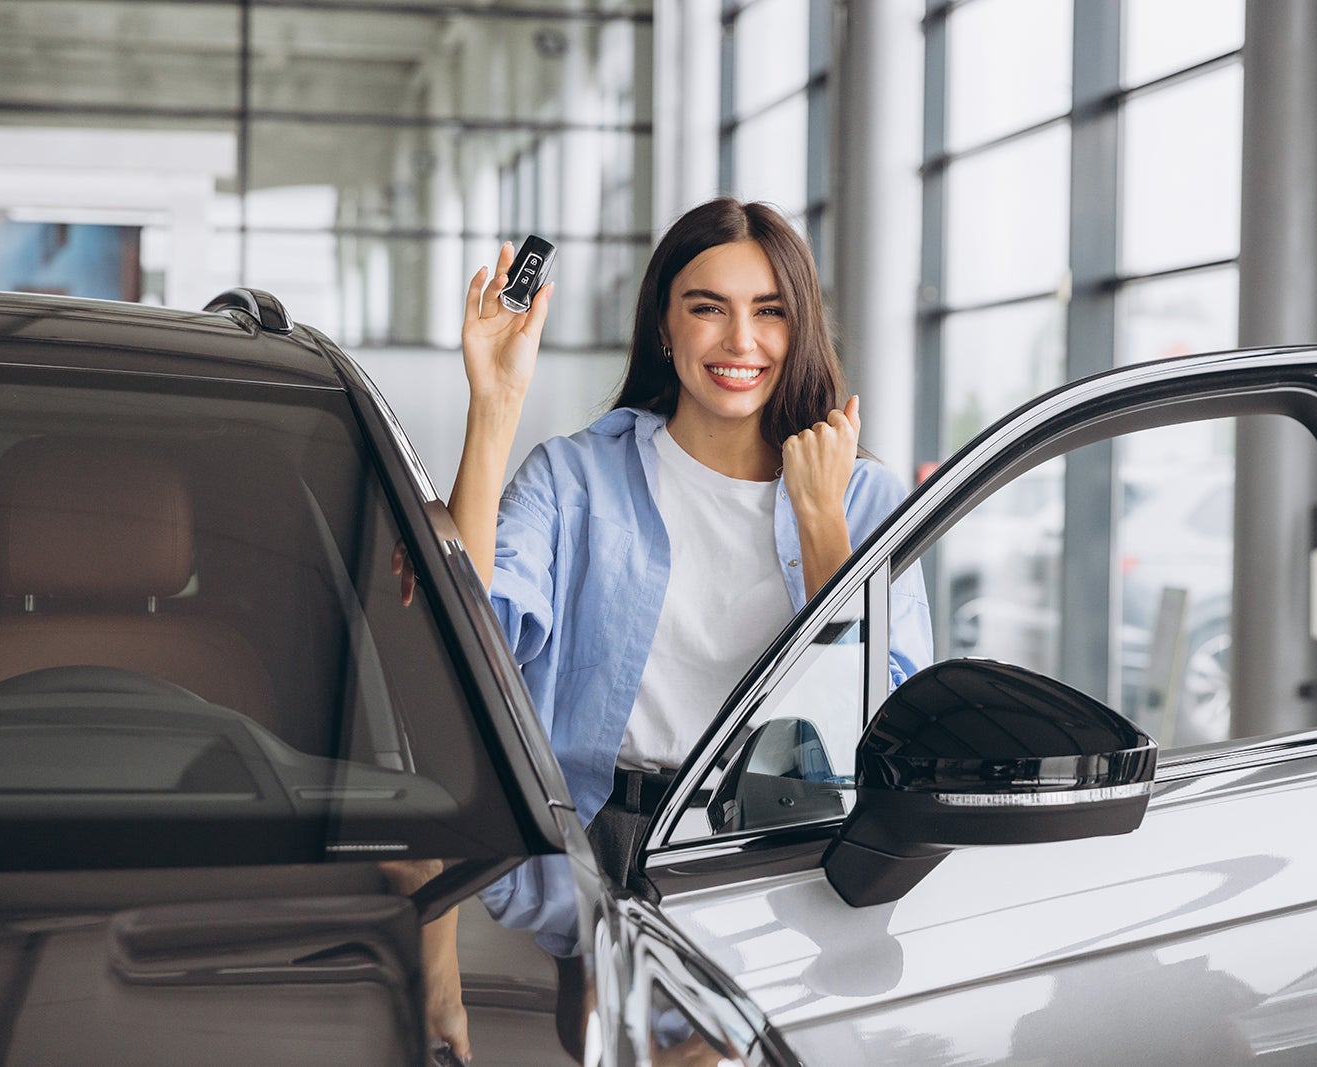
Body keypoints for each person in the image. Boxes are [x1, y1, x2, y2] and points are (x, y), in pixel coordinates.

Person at [396, 197, 932, 1062]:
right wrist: (495, 403)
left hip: (780, 851)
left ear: (800, 327)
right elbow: (463, 639)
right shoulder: (577, 476)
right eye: (707, 307)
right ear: (663, 324)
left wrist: (821, 521)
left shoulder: (862, 497)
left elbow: (878, 723)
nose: (740, 341)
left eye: (769, 311)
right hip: (610, 846)